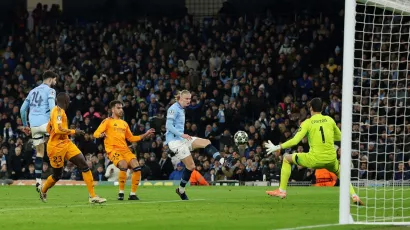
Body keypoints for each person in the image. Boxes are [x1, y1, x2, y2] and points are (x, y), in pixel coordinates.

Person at [264, 97, 364, 206]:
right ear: (322, 108)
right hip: (331, 159)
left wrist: (278, 146)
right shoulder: (330, 120)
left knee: (287, 158)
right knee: (341, 174)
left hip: (315, 159)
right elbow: (340, 137)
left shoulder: (308, 122)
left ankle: (282, 190)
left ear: (310, 108)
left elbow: (295, 141)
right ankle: (354, 195)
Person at [39, 93, 106, 204]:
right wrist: (74, 131)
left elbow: (49, 128)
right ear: (65, 101)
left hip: (66, 143)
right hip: (56, 147)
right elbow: (58, 129)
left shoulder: (60, 111)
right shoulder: (58, 112)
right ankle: (43, 189)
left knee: (83, 164)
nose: (70, 102)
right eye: (69, 100)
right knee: (57, 175)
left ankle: (92, 196)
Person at [165, 90, 224, 200]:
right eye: (186, 99)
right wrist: (181, 134)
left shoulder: (182, 109)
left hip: (183, 138)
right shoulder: (173, 109)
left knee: (206, 142)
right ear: (180, 99)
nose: (189, 101)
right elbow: (168, 126)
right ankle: (181, 190)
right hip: (175, 142)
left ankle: (221, 159)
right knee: (191, 166)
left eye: (190, 99)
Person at [94, 100, 155, 200]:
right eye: (118, 108)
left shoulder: (124, 124)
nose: (121, 110)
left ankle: (132, 194)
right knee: (124, 165)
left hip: (125, 149)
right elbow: (95, 133)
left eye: (121, 108)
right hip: (113, 150)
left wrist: (145, 134)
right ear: (113, 110)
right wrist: (100, 135)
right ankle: (121, 193)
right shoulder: (107, 121)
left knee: (137, 167)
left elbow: (131, 138)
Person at [20, 70, 57, 191]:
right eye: (55, 80)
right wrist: (54, 123)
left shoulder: (32, 91)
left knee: (40, 153)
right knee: (60, 142)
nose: (55, 82)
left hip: (34, 126)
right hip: (46, 123)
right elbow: (52, 107)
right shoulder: (50, 90)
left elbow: (22, 109)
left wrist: (26, 125)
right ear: (51, 79)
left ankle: (38, 181)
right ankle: (59, 171)